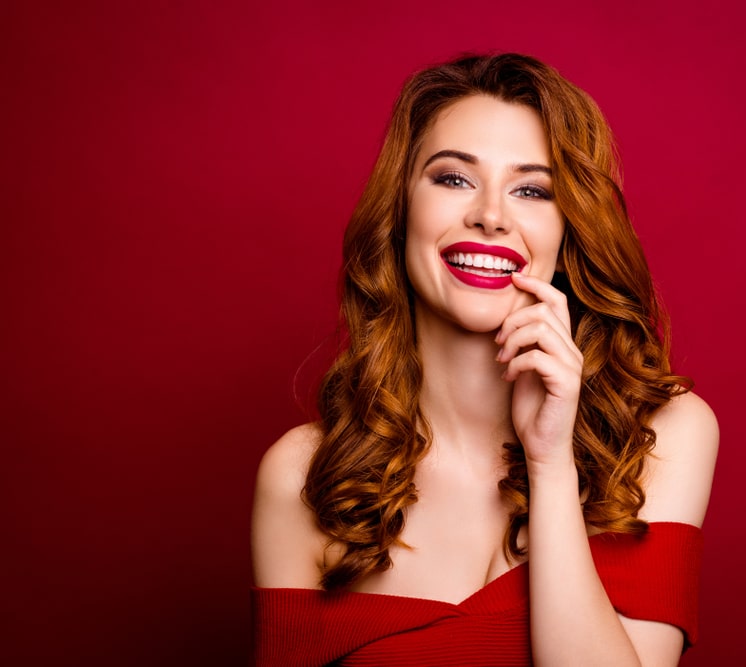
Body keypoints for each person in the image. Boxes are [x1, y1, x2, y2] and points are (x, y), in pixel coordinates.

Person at [250, 53, 718, 667]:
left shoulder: (662, 436)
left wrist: (550, 465)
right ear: (400, 212)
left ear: (569, 232)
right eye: (453, 179)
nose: (490, 216)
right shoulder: (305, 476)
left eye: (532, 190)